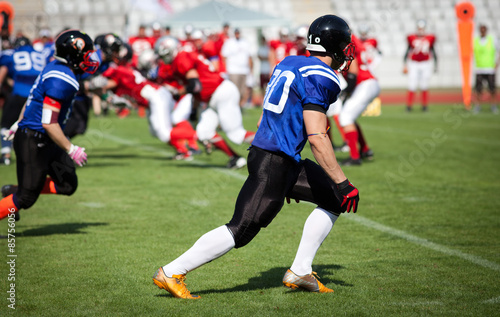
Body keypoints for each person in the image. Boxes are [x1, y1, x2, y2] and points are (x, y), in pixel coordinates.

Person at [152, 15, 360, 299]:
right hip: (274, 160)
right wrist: (343, 179)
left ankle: (301, 271)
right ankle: (172, 271)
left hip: (279, 157)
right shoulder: (322, 76)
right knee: (242, 228)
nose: (348, 52)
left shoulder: (289, 62)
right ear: (335, 45)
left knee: (333, 198)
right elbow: (317, 136)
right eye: (345, 46)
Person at [0, 29, 100, 221]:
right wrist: (71, 149)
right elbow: (48, 122)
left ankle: (12, 191)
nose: (90, 60)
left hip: (47, 138)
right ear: (73, 56)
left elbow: (33, 98)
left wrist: (17, 122)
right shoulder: (60, 80)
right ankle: (17, 195)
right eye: (86, 55)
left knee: (67, 185)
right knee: (26, 197)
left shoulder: (56, 67)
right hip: (34, 138)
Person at [155, 36, 255, 169]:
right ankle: (236, 158)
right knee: (204, 132)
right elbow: (196, 91)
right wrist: (193, 111)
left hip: (221, 92)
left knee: (236, 134)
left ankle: (275, 146)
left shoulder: (181, 58)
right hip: (213, 96)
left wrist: (179, 92)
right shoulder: (183, 56)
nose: (163, 58)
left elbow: (194, 85)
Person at [0, 36, 45, 165]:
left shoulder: (10, 55)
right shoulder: (40, 55)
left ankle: (6, 154)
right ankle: (34, 154)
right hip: (37, 96)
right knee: (36, 126)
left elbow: (3, 73)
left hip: (19, 94)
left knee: (6, 124)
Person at [338, 34, 379, 166]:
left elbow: (353, 71)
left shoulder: (347, 45)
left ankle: (355, 157)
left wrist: (346, 91)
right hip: (366, 83)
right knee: (350, 117)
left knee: (345, 117)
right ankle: (365, 150)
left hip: (365, 83)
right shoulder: (351, 43)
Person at [403, 19, 437, 112]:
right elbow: (408, 50)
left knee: (424, 84)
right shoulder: (411, 37)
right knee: (412, 84)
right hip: (413, 63)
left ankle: (424, 106)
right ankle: (409, 106)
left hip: (426, 63)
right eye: (419, 28)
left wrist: (436, 65)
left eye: (422, 28)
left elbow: (433, 51)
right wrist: (405, 64)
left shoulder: (430, 38)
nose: (420, 30)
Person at [221, 28, 253, 108]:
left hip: (244, 70)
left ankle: (238, 107)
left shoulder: (245, 42)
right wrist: (225, 69)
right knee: (234, 90)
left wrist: (250, 69)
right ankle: (233, 107)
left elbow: (249, 57)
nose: (237, 34)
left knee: (242, 92)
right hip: (233, 70)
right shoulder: (229, 43)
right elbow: (224, 57)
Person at [472, 24, 499, 114]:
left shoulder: (492, 39)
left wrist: (497, 64)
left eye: (484, 29)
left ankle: (493, 105)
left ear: (486, 30)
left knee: (492, 89)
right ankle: (478, 106)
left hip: (490, 69)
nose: (482, 31)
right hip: (479, 68)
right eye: (481, 29)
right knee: (478, 89)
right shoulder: (475, 40)